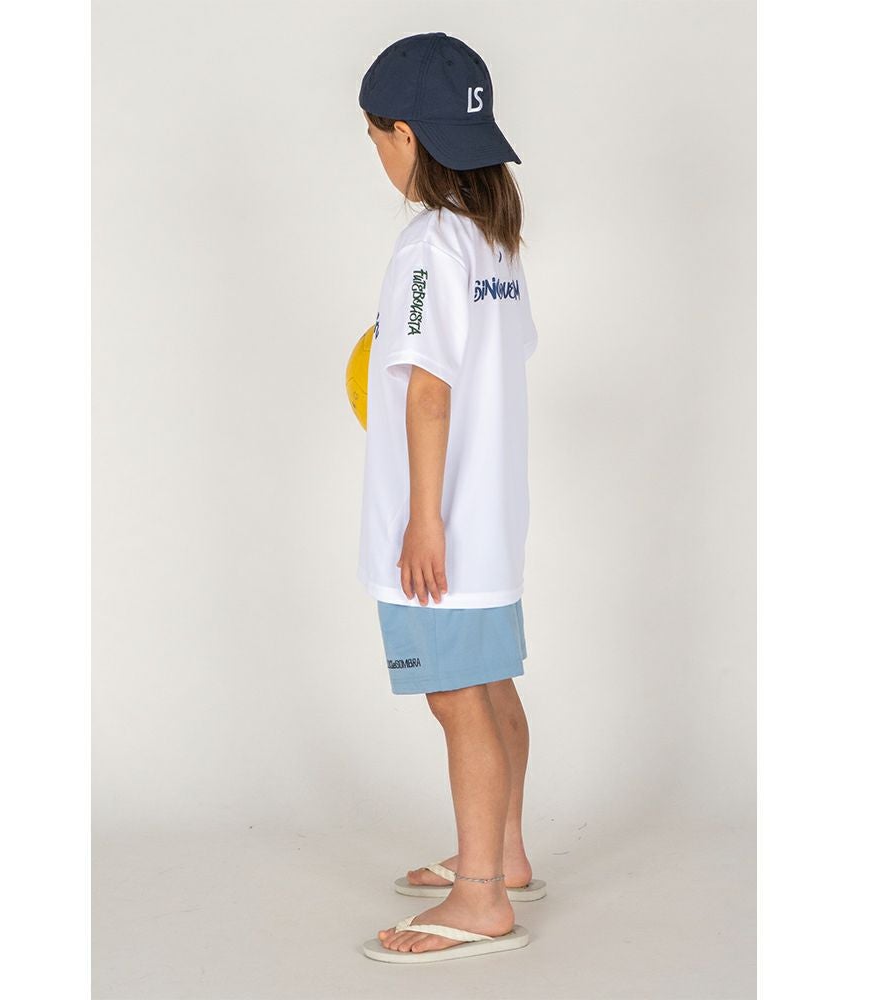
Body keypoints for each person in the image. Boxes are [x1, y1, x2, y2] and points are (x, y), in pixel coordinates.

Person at [356, 32, 543, 964]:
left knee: (457, 699)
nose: (378, 156)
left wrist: (422, 518)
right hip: (493, 519)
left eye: (375, 138)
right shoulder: (491, 239)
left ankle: (480, 899)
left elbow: (429, 390)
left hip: (444, 525)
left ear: (404, 135)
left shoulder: (428, 244)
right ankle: (502, 857)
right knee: (491, 686)